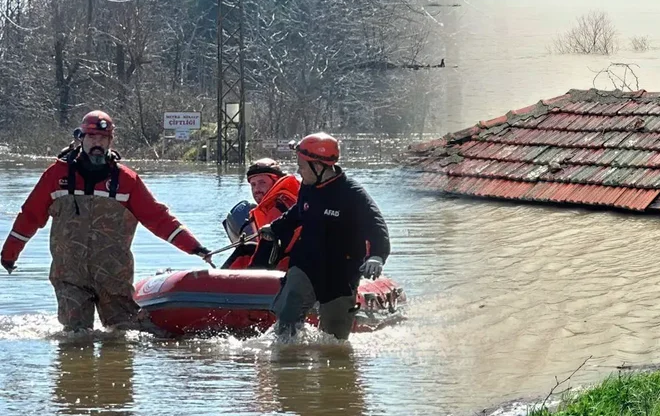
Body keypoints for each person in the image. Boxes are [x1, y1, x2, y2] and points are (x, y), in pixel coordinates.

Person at [0, 110, 212, 334]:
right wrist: (9, 253)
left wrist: (194, 247)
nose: (97, 144)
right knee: (75, 338)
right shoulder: (55, 176)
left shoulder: (126, 180)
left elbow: (158, 218)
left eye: (103, 138)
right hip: (70, 276)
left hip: (114, 276)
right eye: (92, 138)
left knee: (125, 335)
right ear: (81, 138)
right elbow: (30, 216)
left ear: (111, 141)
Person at [259, 132, 390, 340]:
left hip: (341, 273)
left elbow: (376, 226)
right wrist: (274, 228)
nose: (298, 172)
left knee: (334, 341)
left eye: (301, 167)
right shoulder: (308, 187)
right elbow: (298, 212)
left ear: (318, 166)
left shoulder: (352, 194)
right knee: (288, 315)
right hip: (306, 264)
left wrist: (377, 256)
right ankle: (286, 362)